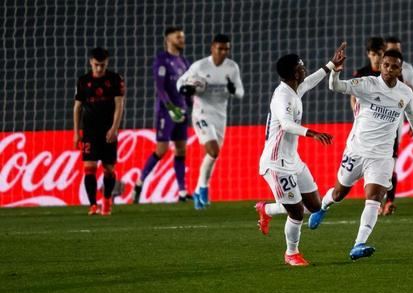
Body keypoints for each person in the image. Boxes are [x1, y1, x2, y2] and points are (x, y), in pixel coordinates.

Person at [308, 49, 413, 260]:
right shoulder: (367, 84)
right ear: (381, 65)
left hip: (382, 156)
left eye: (394, 66)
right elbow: (335, 86)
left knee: (374, 198)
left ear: (400, 70)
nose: (389, 69)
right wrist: (335, 72)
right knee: (339, 193)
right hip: (356, 150)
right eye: (386, 65)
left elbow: (412, 114)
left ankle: (359, 244)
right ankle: (323, 207)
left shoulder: (405, 92)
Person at [254, 43, 346, 266]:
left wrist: (332, 64)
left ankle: (266, 208)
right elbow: (285, 124)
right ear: (293, 73)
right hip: (276, 163)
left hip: (293, 160)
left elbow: (312, 80)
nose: (304, 68)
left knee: (314, 206)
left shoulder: (295, 88)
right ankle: (291, 253)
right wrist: (311, 133)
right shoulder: (282, 97)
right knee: (296, 213)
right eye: (301, 66)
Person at [177, 34, 245, 209]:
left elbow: (240, 93)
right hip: (201, 114)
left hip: (220, 117)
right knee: (213, 150)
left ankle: (200, 189)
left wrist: (233, 90)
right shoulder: (199, 66)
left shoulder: (232, 67)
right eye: (220, 48)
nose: (223, 52)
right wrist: (186, 88)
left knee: (213, 155)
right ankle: (203, 188)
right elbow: (180, 83)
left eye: (226, 49)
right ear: (212, 48)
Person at [132, 26, 191, 204]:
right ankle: (139, 183)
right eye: (178, 37)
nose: (182, 40)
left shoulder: (184, 61)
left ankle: (182, 192)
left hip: (182, 112)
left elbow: (187, 88)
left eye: (182, 37)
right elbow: (160, 87)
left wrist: (191, 105)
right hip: (166, 112)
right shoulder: (162, 60)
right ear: (168, 39)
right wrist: (170, 107)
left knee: (181, 149)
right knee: (162, 150)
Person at [73, 47, 125, 216]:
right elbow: (77, 107)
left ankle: (107, 199)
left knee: (109, 169)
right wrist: (76, 132)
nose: (99, 68)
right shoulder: (83, 81)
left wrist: (114, 128)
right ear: (91, 62)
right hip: (89, 130)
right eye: (96, 65)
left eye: (102, 65)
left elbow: (119, 105)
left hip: (108, 130)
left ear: (107, 63)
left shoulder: (115, 79)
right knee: (89, 167)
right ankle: (93, 205)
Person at [377, 36, 413, 215]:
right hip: (375, 126)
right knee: (376, 165)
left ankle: (388, 202)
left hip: (396, 123)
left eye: (399, 48)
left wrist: (405, 89)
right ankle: (377, 202)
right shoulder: (378, 73)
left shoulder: (407, 69)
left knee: (390, 163)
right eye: (393, 48)